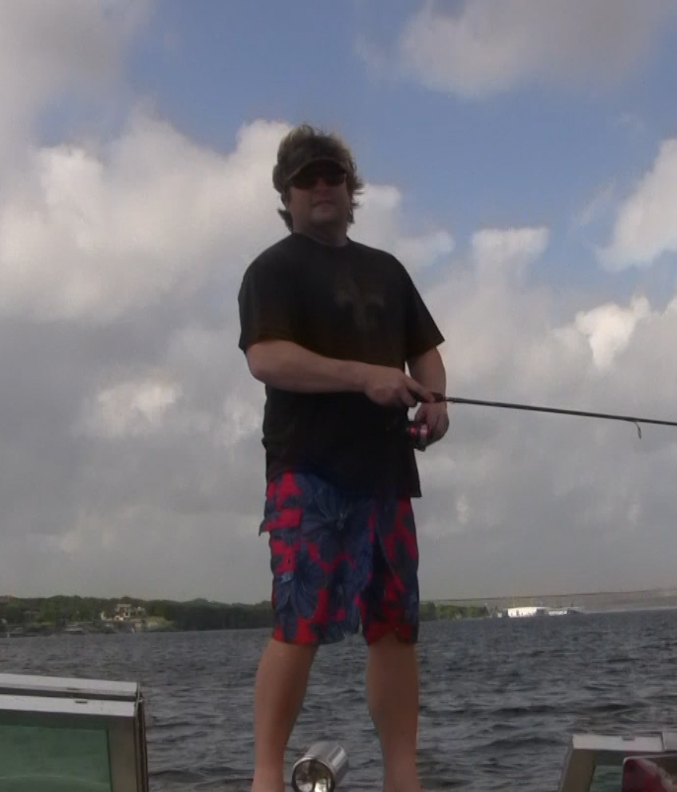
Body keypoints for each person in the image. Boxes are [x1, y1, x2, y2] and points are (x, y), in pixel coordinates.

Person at [237, 124, 448, 792]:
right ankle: (267, 776)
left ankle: (402, 776)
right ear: (288, 195)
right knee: (297, 625)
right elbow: (266, 358)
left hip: (386, 476)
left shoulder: (388, 269)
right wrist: (364, 376)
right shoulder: (273, 269)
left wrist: (434, 400)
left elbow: (425, 350)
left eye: (333, 176)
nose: (322, 186)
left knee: (394, 629)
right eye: (307, 179)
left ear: (352, 191)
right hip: (309, 471)